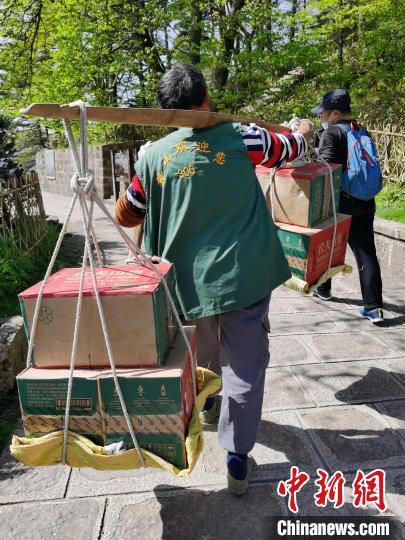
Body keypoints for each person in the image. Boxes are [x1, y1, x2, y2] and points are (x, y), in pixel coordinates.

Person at [115, 63, 312, 495]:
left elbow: (127, 213)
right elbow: (292, 147)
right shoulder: (244, 137)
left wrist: (149, 172)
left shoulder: (151, 156)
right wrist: (304, 128)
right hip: (244, 275)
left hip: (183, 282)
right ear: (206, 101)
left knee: (201, 348)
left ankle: (206, 408)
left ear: (163, 110)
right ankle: (237, 456)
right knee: (245, 364)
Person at [311, 89, 384, 323]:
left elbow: (327, 169)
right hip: (365, 202)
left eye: (323, 113)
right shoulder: (361, 130)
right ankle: (374, 308)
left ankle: (323, 289)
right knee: (366, 254)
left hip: (340, 204)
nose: (321, 117)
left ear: (334, 113)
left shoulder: (332, 133)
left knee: (330, 246)